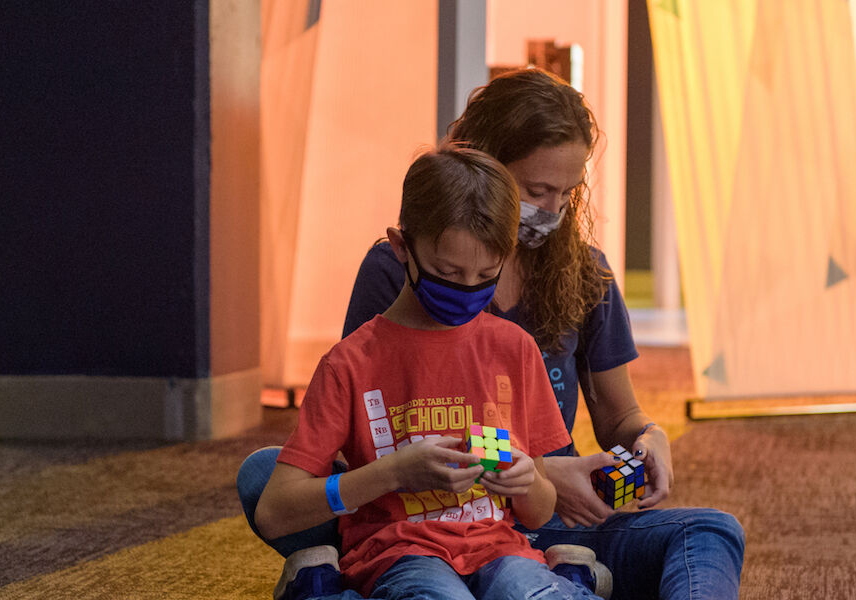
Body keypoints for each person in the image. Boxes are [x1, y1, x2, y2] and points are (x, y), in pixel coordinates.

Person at [241, 68, 744, 600]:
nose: (550, 210)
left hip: (532, 517)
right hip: (414, 516)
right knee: (264, 474)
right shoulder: (393, 277)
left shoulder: (581, 274)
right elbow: (367, 426)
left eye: (565, 194)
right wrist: (396, 480)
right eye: (536, 190)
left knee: (710, 531)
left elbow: (618, 417)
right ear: (483, 166)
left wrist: (647, 441)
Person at [253, 145, 603, 600]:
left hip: (502, 551)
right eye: (447, 271)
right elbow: (274, 512)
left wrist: (527, 482)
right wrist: (393, 473)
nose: (467, 289)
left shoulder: (513, 348)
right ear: (401, 247)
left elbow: (538, 513)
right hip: (399, 553)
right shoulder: (350, 364)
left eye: (485, 274)